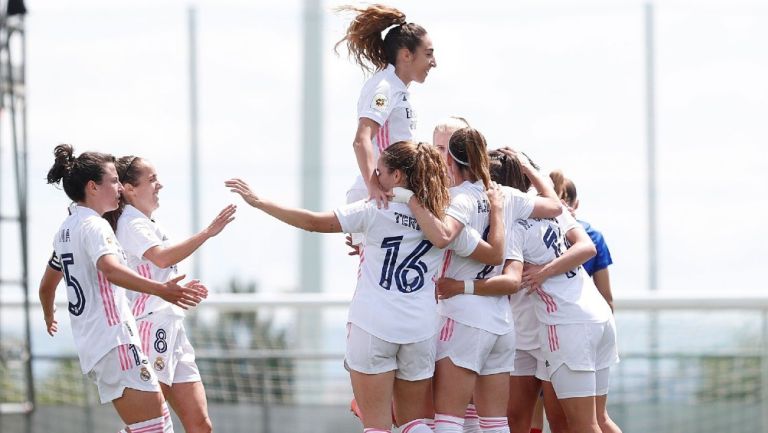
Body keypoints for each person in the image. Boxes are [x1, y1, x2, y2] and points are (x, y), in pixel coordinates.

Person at [226, 141, 504, 433]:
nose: (374, 178)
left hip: (372, 326)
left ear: (397, 177)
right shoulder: (441, 221)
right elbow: (493, 255)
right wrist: (497, 213)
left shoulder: (375, 209)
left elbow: (312, 222)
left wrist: (259, 202)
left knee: (377, 427)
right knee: (416, 424)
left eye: (379, 171)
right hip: (420, 331)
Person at [41, 144, 207, 433]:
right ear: (93, 187)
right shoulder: (95, 226)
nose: (119, 188)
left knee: (156, 426)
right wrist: (161, 289)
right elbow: (111, 269)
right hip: (115, 340)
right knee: (155, 429)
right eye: (113, 180)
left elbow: (46, 287)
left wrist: (48, 314)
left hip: (98, 344)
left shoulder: (65, 229)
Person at [428, 146, 562, 433]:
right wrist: (529, 168)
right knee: (494, 421)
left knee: (449, 419)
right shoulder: (514, 204)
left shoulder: (460, 202)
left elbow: (445, 237)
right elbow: (555, 206)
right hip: (502, 324)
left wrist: (459, 286)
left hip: (465, 319)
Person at [101, 155, 236, 433]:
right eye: (152, 180)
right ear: (129, 188)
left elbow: (157, 270)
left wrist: (181, 287)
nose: (159, 185)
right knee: (150, 425)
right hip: (151, 326)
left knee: (200, 424)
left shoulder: (148, 223)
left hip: (172, 326)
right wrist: (208, 232)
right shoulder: (130, 222)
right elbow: (161, 258)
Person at [515, 196, 621, 433]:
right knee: (589, 419)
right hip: (595, 318)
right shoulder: (559, 216)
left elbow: (506, 277)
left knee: (583, 423)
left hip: (566, 325)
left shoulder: (513, 225)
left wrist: (464, 287)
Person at [336, 4, 436, 209]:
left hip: (393, 192)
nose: (434, 62)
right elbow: (361, 140)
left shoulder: (398, 89)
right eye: (428, 54)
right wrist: (373, 187)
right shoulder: (384, 88)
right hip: (378, 194)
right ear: (406, 55)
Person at [549, 171, 615, 311]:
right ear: (576, 204)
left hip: (543, 313)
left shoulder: (537, 232)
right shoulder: (594, 237)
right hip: (580, 311)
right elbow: (606, 298)